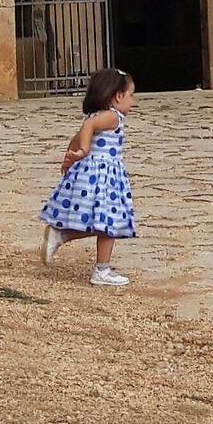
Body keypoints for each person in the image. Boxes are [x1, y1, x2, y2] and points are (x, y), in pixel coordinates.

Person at [39, 68, 137, 288]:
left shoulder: (95, 116)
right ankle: (101, 270)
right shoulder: (112, 117)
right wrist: (83, 151)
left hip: (93, 175)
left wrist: (69, 158)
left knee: (101, 222)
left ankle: (61, 235)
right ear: (118, 96)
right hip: (104, 177)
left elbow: (77, 136)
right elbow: (87, 129)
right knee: (110, 222)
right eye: (131, 95)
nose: (132, 101)